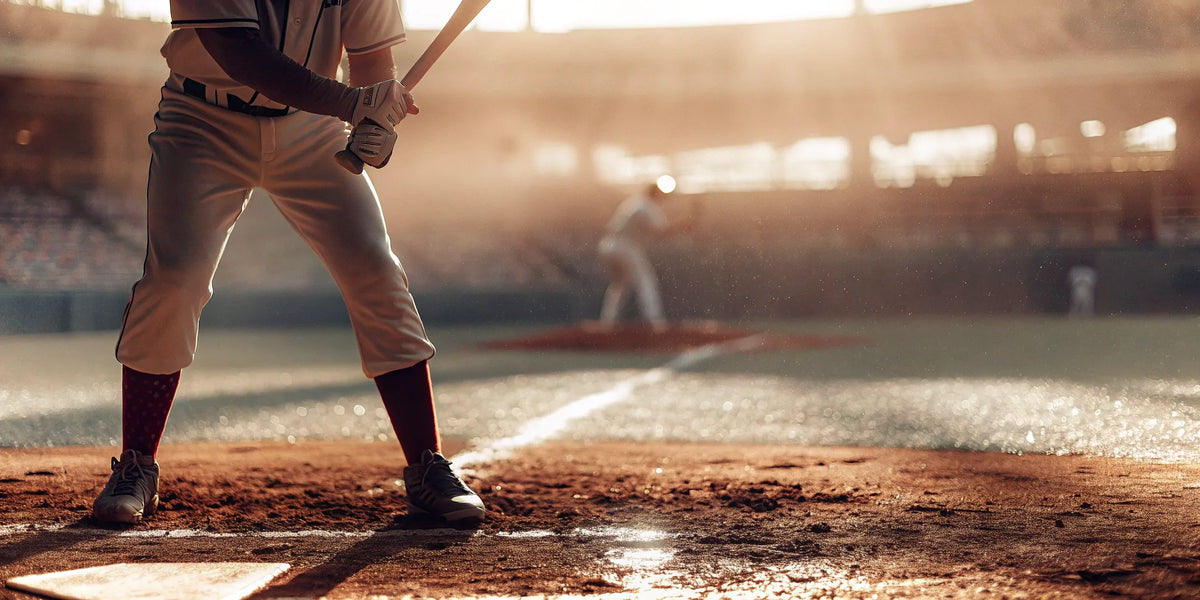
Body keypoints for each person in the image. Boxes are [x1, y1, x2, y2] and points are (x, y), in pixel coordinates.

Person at [92, 0, 484, 526]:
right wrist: (354, 102)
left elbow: (371, 62)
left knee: (375, 270)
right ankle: (137, 464)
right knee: (174, 280)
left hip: (312, 128)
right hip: (202, 121)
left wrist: (375, 126)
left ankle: (426, 465)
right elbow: (244, 56)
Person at [596, 175, 694, 331]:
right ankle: (654, 322)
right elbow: (661, 232)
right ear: (656, 192)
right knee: (645, 280)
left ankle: (607, 322)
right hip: (624, 246)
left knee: (620, 284)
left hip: (608, 245)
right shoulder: (646, 206)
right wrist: (684, 224)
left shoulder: (635, 202)